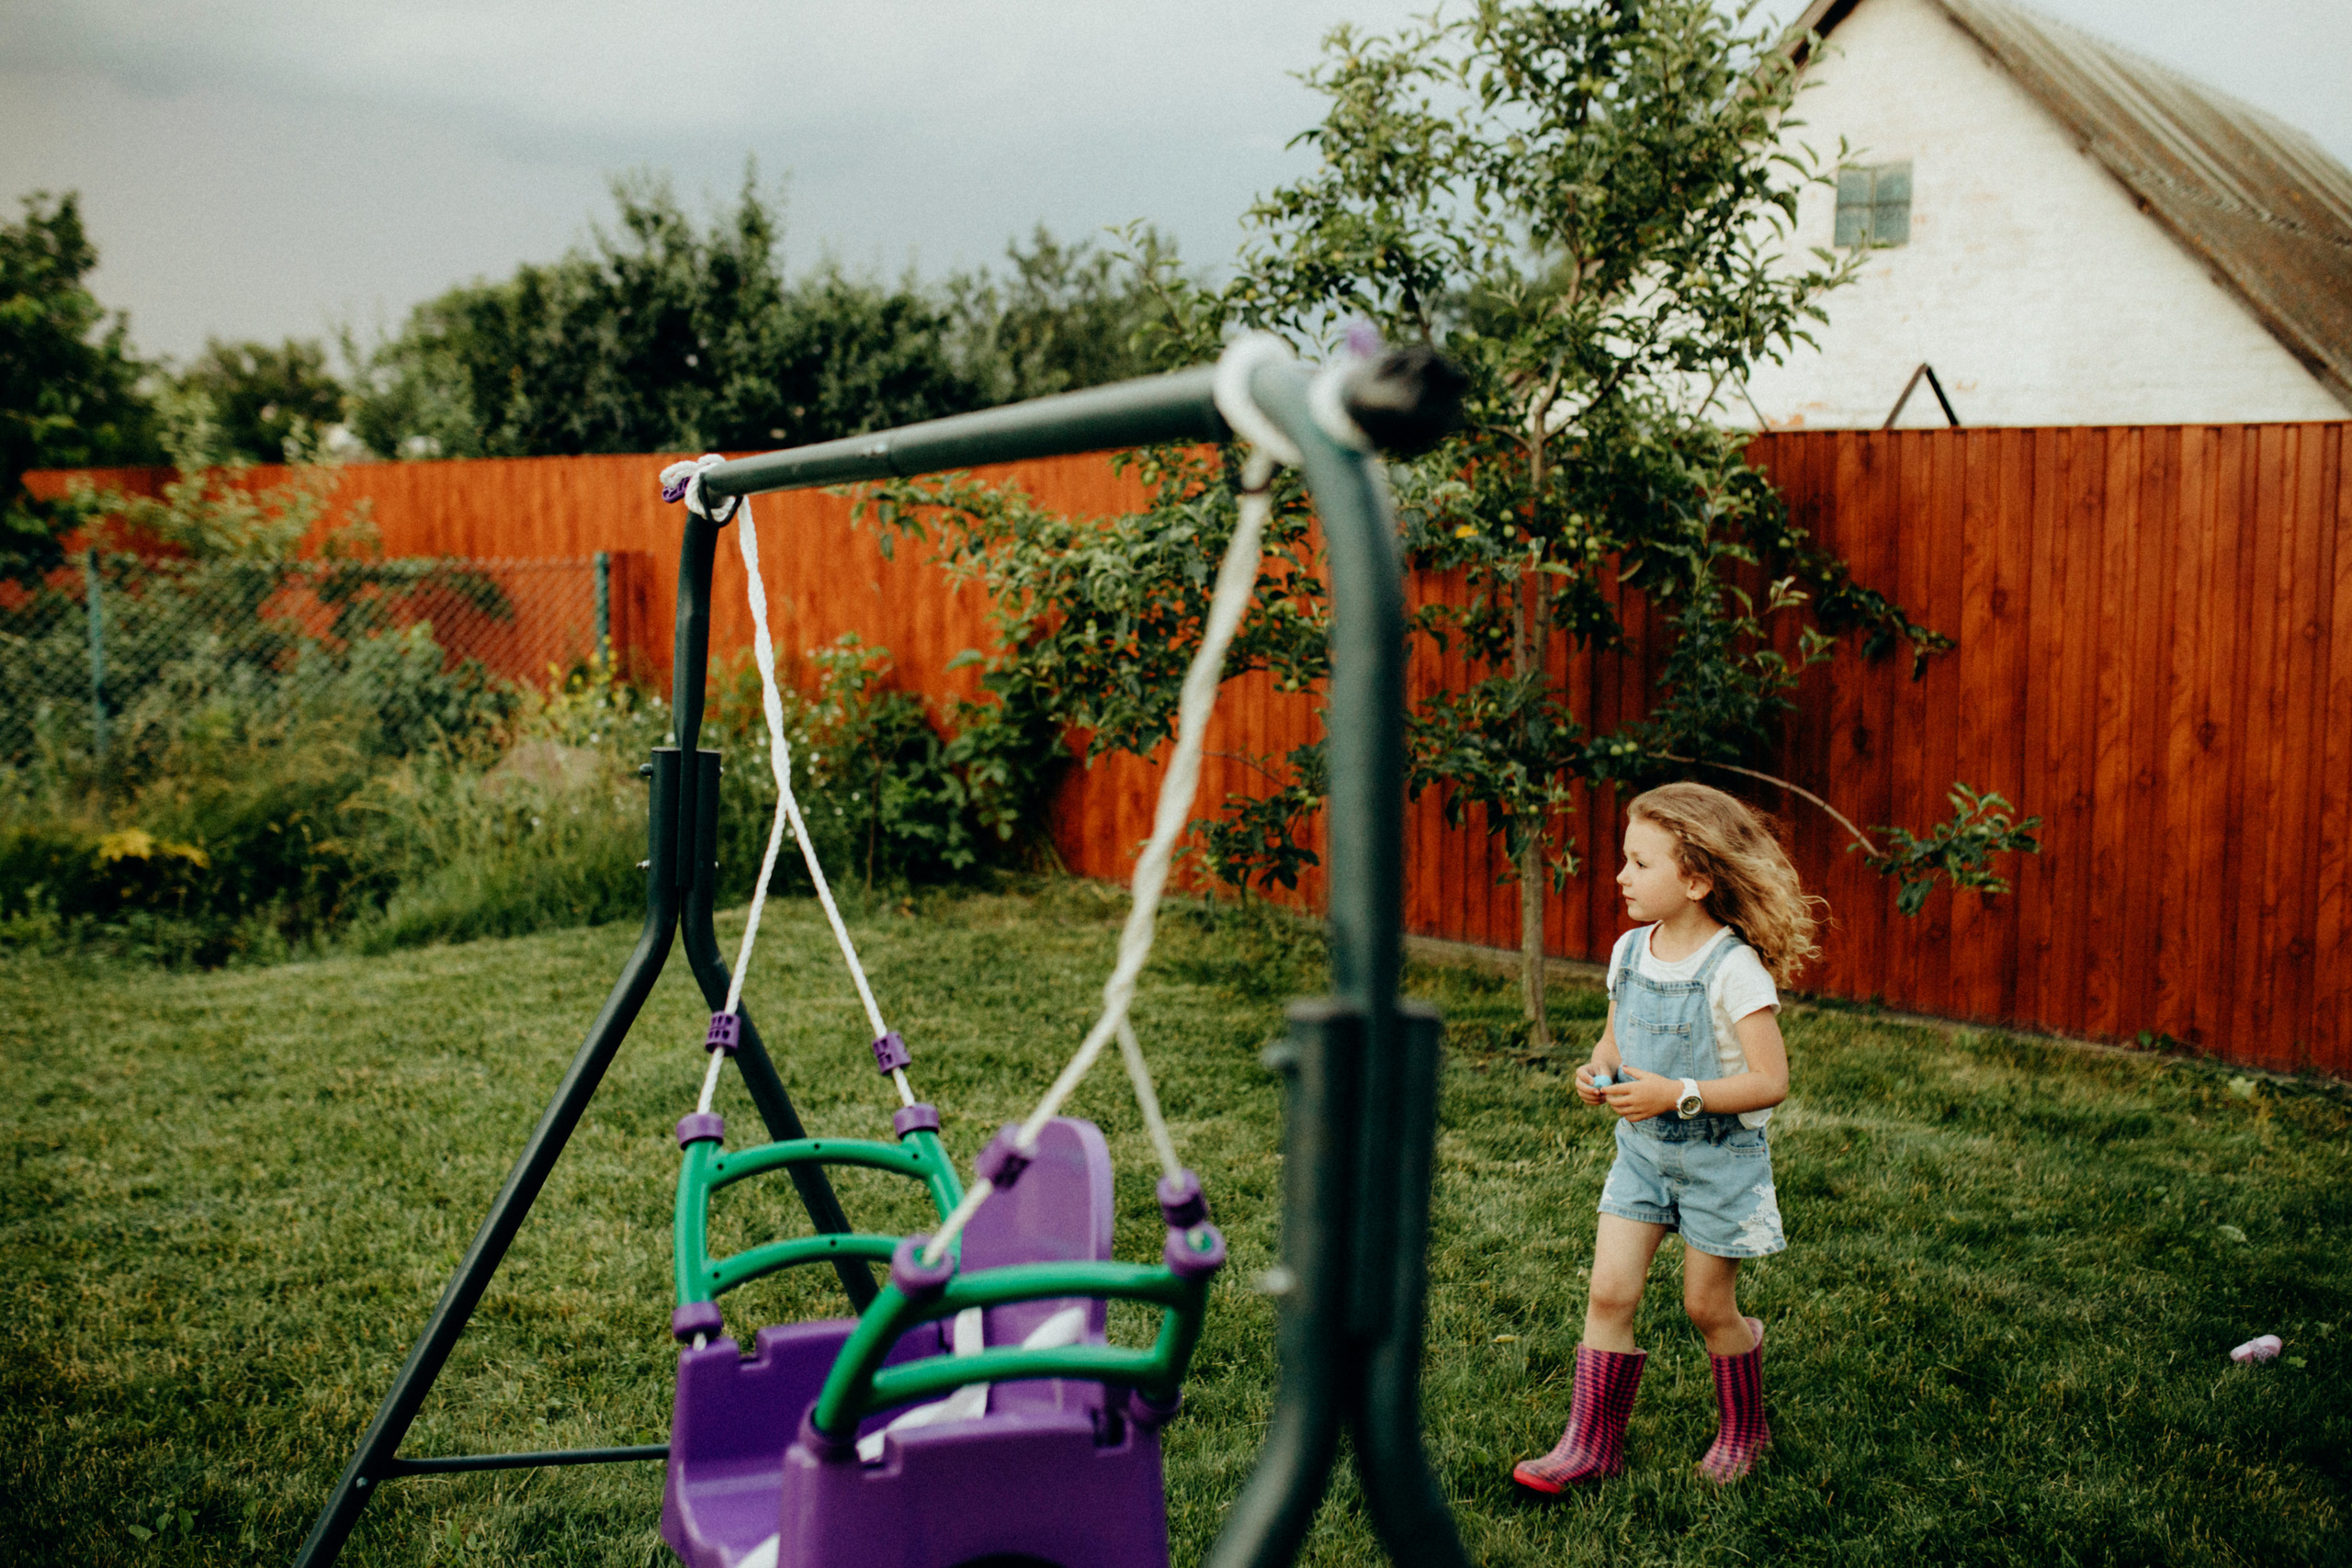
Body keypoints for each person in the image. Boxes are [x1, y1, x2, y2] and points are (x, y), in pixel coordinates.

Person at [1511, 781, 1822, 1492]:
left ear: (1696, 878)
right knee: (1608, 1294)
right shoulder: (1629, 952)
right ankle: (1590, 1445)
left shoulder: (1733, 968)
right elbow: (1614, 1041)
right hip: (1642, 1158)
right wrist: (1597, 1070)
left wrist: (1674, 1094)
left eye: (1639, 863)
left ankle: (1745, 1428)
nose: (1621, 875)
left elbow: (1771, 1078)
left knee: (1707, 1307)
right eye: (1625, 859)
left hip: (1719, 1163)